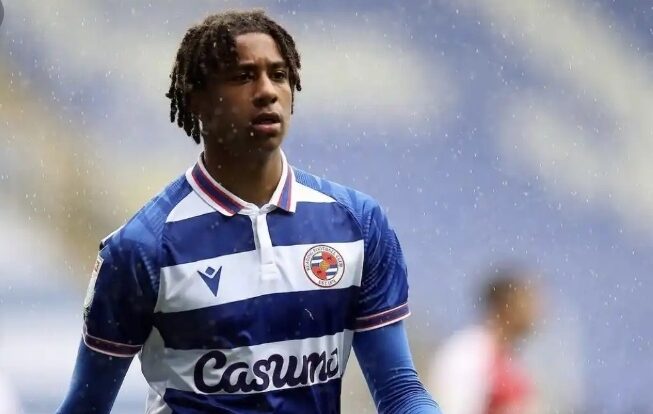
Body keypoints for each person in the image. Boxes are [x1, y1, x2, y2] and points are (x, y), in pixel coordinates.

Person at [57, 10, 440, 414]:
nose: (267, 91)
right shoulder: (141, 249)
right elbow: (86, 406)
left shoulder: (357, 224)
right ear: (197, 99)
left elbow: (400, 392)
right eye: (243, 76)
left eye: (279, 75)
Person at [427, 266, 538, 414]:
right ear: (504, 305)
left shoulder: (512, 359)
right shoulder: (466, 354)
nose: (535, 311)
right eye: (526, 301)